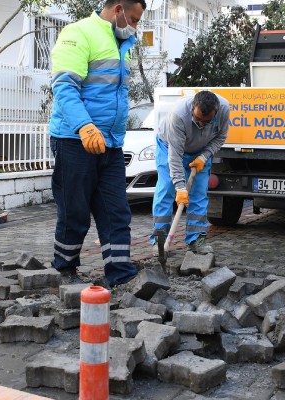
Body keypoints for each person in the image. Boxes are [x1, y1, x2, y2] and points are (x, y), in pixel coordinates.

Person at [48, 0, 146, 287]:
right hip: (75, 140)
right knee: (75, 209)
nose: (135, 26)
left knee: (116, 210)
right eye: (133, 19)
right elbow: (65, 87)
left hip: (111, 144)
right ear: (117, 9)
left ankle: (119, 272)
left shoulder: (121, 43)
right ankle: (64, 269)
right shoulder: (78, 33)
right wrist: (84, 126)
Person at [151, 91, 230, 254]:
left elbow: (221, 138)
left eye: (206, 121)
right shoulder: (178, 115)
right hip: (169, 147)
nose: (201, 124)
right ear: (193, 108)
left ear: (215, 112)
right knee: (166, 191)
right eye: (198, 119)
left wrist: (204, 156)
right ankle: (160, 242)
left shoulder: (223, 109)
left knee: (199, 195)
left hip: (200, 151)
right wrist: (180, 189)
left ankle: (197, 241)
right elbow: (174, 157)